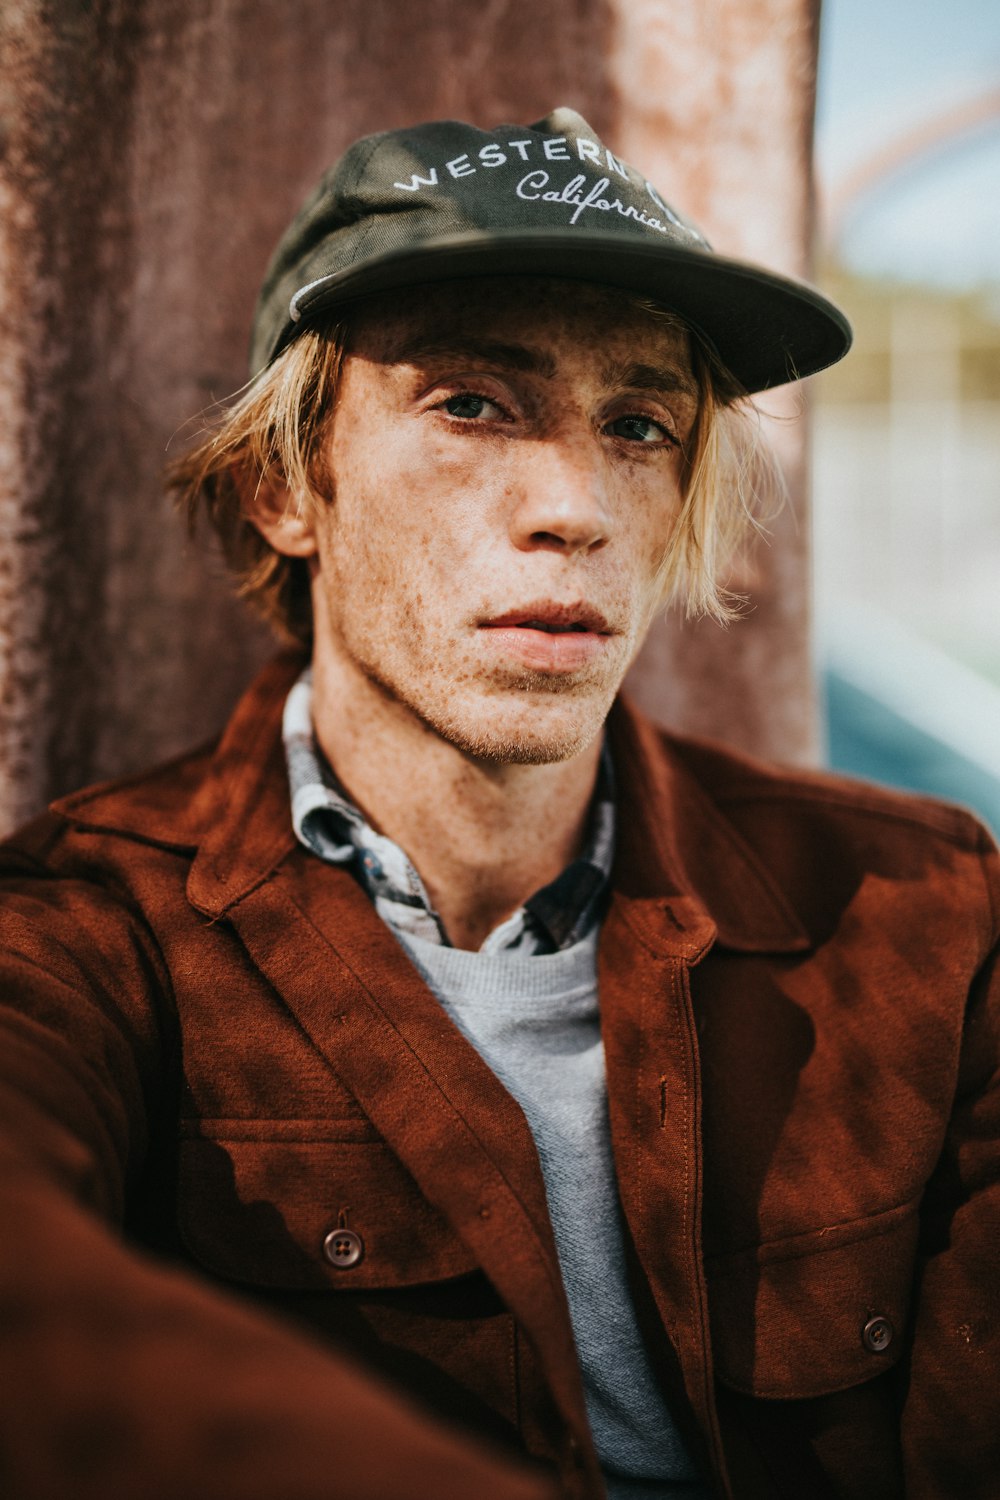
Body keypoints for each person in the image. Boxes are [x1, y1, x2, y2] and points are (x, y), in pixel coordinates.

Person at [0, 105, 996, 1500]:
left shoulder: (927, 917)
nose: (576, 505)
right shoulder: (93, 930)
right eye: (470, 402)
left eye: (641, 425)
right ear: (293, 482)